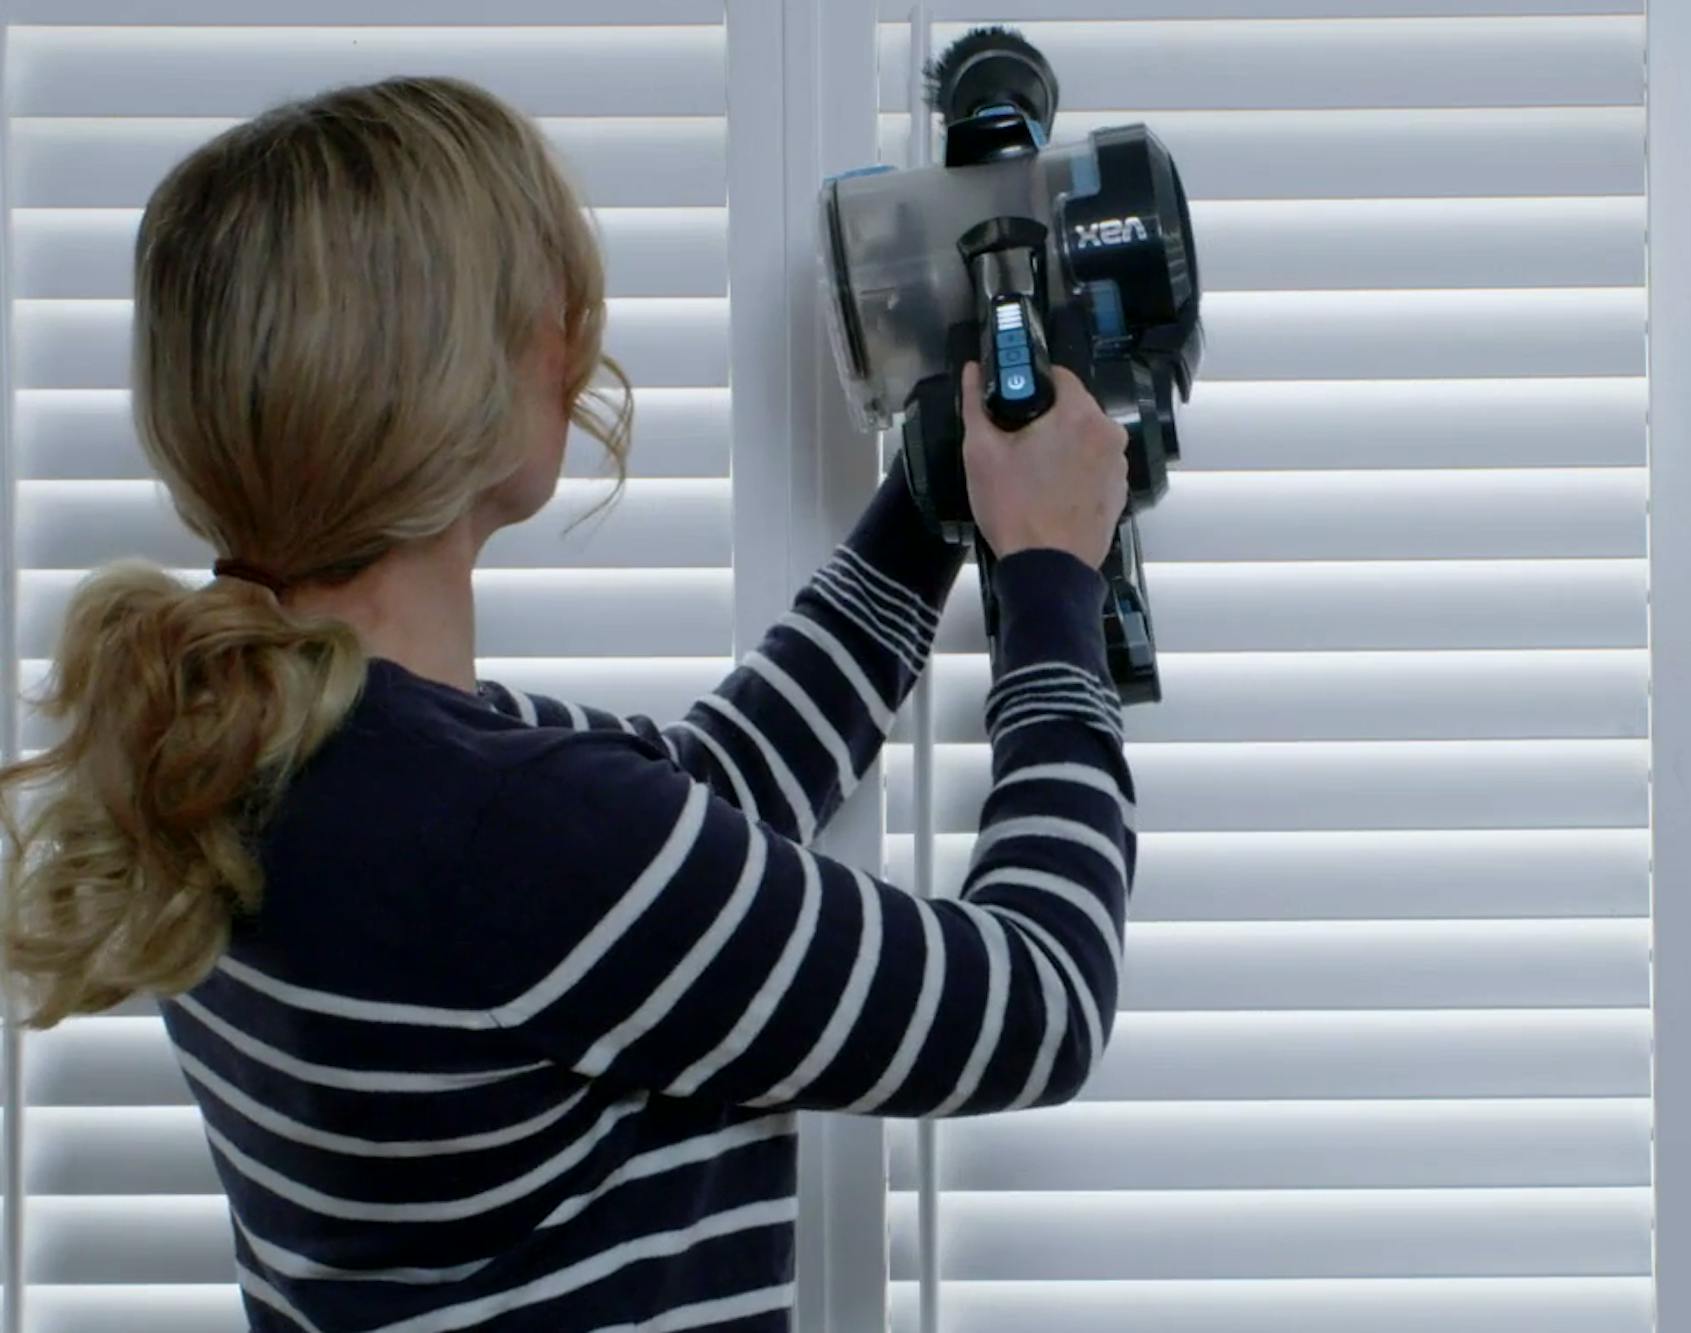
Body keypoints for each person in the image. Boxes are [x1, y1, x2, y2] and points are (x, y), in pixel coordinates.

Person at [0, 76, 1135, 1332]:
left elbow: (719, 794)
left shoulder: (259, 737)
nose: (573, 333)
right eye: (540, 303)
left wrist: (930, 500)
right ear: (440, 381)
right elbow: (1037, 1005)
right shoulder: (504, 828)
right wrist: (1047, 585)